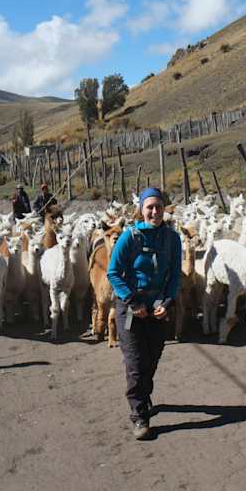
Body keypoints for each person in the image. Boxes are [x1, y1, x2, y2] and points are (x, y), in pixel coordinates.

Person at [107, 187, 181, 441]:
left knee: (152, 360)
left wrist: (168, 302)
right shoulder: (130, 236)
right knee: (136, 364)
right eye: (149, 207)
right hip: (130, 308)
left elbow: (174, 275)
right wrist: (132, 300)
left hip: (157, 308)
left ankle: (143, 394)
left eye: (158, 206)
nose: (154, 211)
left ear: (164, 208)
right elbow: (113, 272)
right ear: (141, 209)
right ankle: (139, 415)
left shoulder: (172, 239)